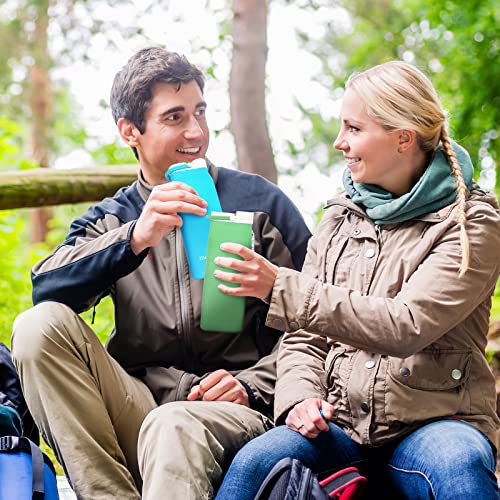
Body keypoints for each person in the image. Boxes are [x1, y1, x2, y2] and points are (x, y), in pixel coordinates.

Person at [11, 47, 311, 500]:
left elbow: (321, 322)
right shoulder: (114, 218)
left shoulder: (261, 204)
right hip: (141, 407)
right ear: (130, 131)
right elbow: (47, 288)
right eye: (174, 117)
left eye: (200, 112)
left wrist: (253, 383)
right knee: (37, 327)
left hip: (237, 412)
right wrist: (134, 238)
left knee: (174, 423)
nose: (196, 132)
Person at [214, 60, 500, 499]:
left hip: (438, 423)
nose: (339, 142)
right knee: (255, 462)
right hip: (342, 424)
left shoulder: (472, 222)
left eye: (354, 128)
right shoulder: (339, 217)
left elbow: (406, 324)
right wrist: (299, 399)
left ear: (403, 138)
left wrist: (279, 287)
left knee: (458, 464)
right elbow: (303, 338)